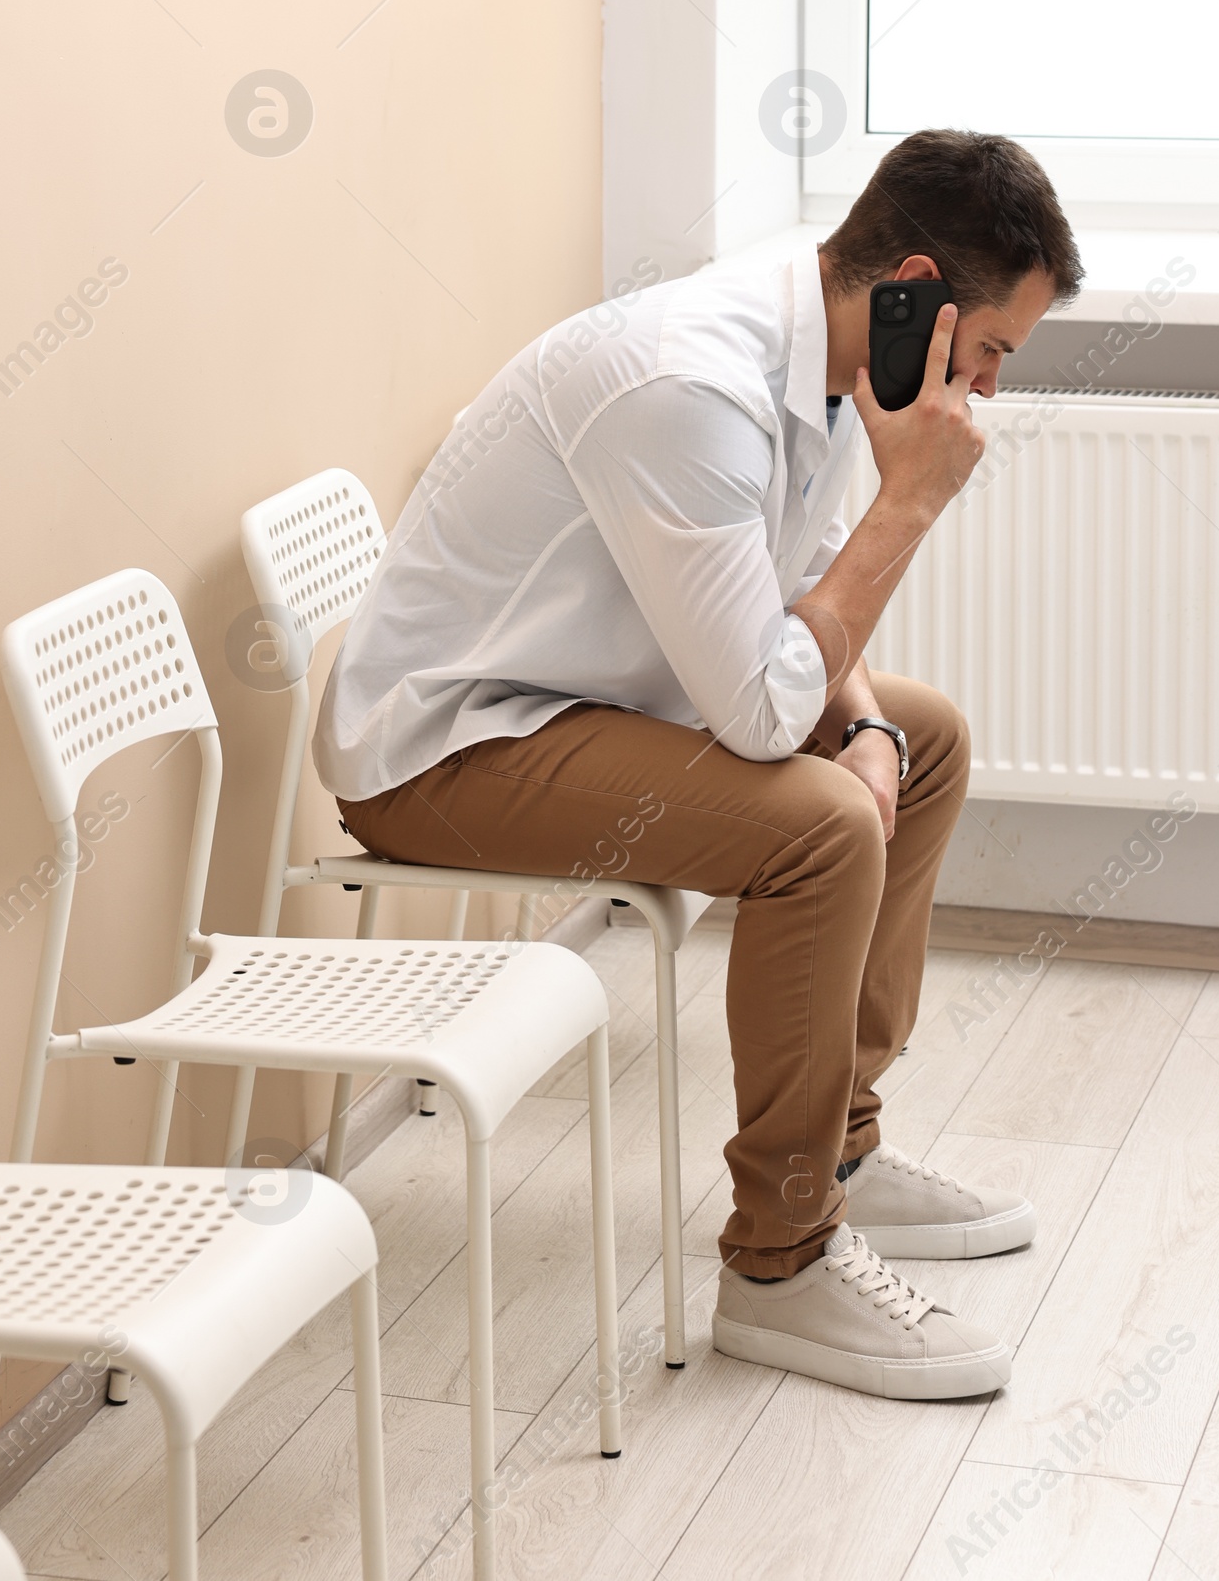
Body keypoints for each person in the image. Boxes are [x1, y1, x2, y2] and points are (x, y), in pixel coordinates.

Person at [314, 129, 1084, 1399]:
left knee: (923, 736)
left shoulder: (835, 359)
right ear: (914, 291)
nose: (989, 390)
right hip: (446, 744)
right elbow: (764, 713)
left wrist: (873, 724)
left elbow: (798, 584)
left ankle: (836, 1144)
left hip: (594, 696)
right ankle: (778, 1262)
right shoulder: (686, 385)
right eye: (992, 348)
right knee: (822, 826)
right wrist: (911, 506)